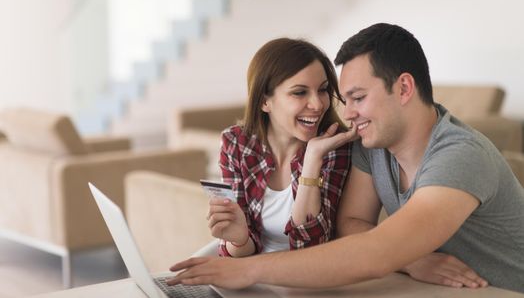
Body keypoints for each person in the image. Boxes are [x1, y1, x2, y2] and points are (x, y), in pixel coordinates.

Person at [167, 24, 524, 293]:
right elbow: (351, 223)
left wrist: (248, 270)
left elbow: (375, 254)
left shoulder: (459, 155)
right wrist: (411, 258)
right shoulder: (374, 146)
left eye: (356, 98)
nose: (343, 113)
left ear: (403, 88)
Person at [206, 38, 356, 258]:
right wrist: (238, 238)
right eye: (299, 92)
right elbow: (238, 252)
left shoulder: (337, 149)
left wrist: (313, 159)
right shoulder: (236, 143)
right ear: (264, 101)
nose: (317, 104)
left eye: (323, 90)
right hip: (251, 268)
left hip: (307, 278)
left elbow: (311, 251)